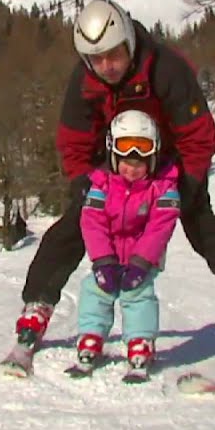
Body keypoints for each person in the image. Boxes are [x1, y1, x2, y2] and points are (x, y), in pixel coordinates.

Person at [15, 0, 215, 365]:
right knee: (75, 224)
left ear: (128, 41)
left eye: (114, 55)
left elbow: (198, 134)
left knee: (206, 229)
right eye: (96, 60)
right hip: (114, 164)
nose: (107, 67)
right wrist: (81, 180)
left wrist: (188, 183)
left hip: (171, 162)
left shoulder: (166, 69)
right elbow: (74, 139)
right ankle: (38, 305)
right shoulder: (84, 82)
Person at [73, 110, 180, 374]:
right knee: (95, 290)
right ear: (113, 156)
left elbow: (160, 227)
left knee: (137, 294)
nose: (132, 170)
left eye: (139, 164)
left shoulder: (163, 188)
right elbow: (92, 222)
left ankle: (140, 340)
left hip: (140, 259)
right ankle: (91, 336)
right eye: (126, 163)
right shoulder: (102, 185)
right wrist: (102, 260)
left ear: (152, 160)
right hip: (108, 256)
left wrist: (141, 262)